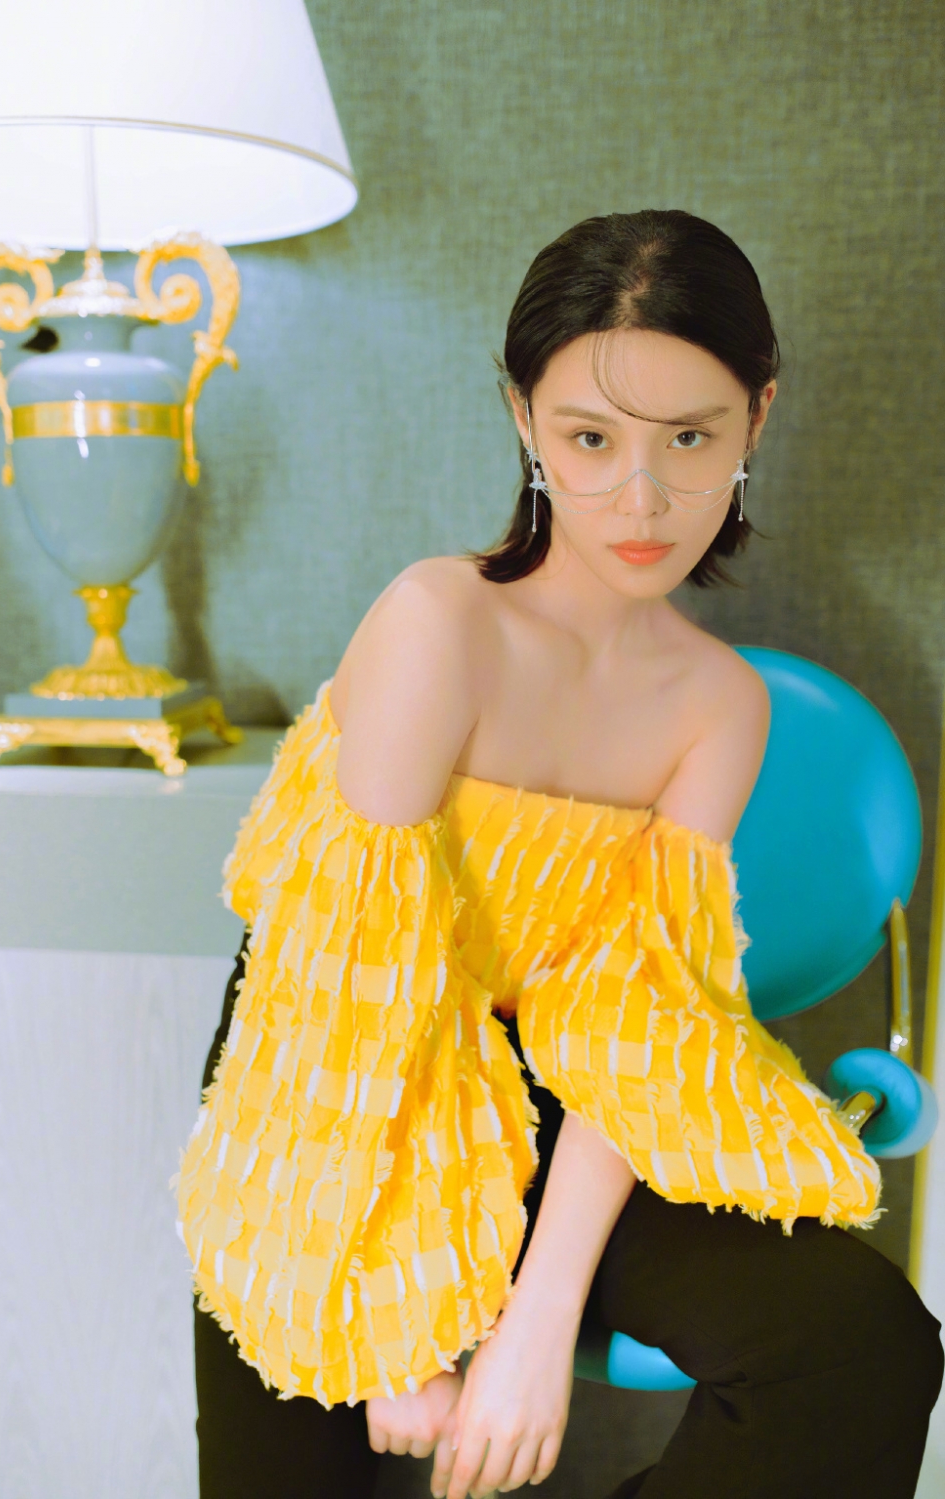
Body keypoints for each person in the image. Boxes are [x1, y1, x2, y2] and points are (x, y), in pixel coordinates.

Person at [178, 210, 943, 1499]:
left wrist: (536, 1321)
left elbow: (637, 1011)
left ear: (757, 420)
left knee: (862, 1347)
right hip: (324, 1086)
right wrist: (389, 1323)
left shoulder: (721, 704)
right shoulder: (439, 622)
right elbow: (348, 1003)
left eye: (689, 439)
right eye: (592, 440)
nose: (641, 501)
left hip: (561, 1085)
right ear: (526, 419)